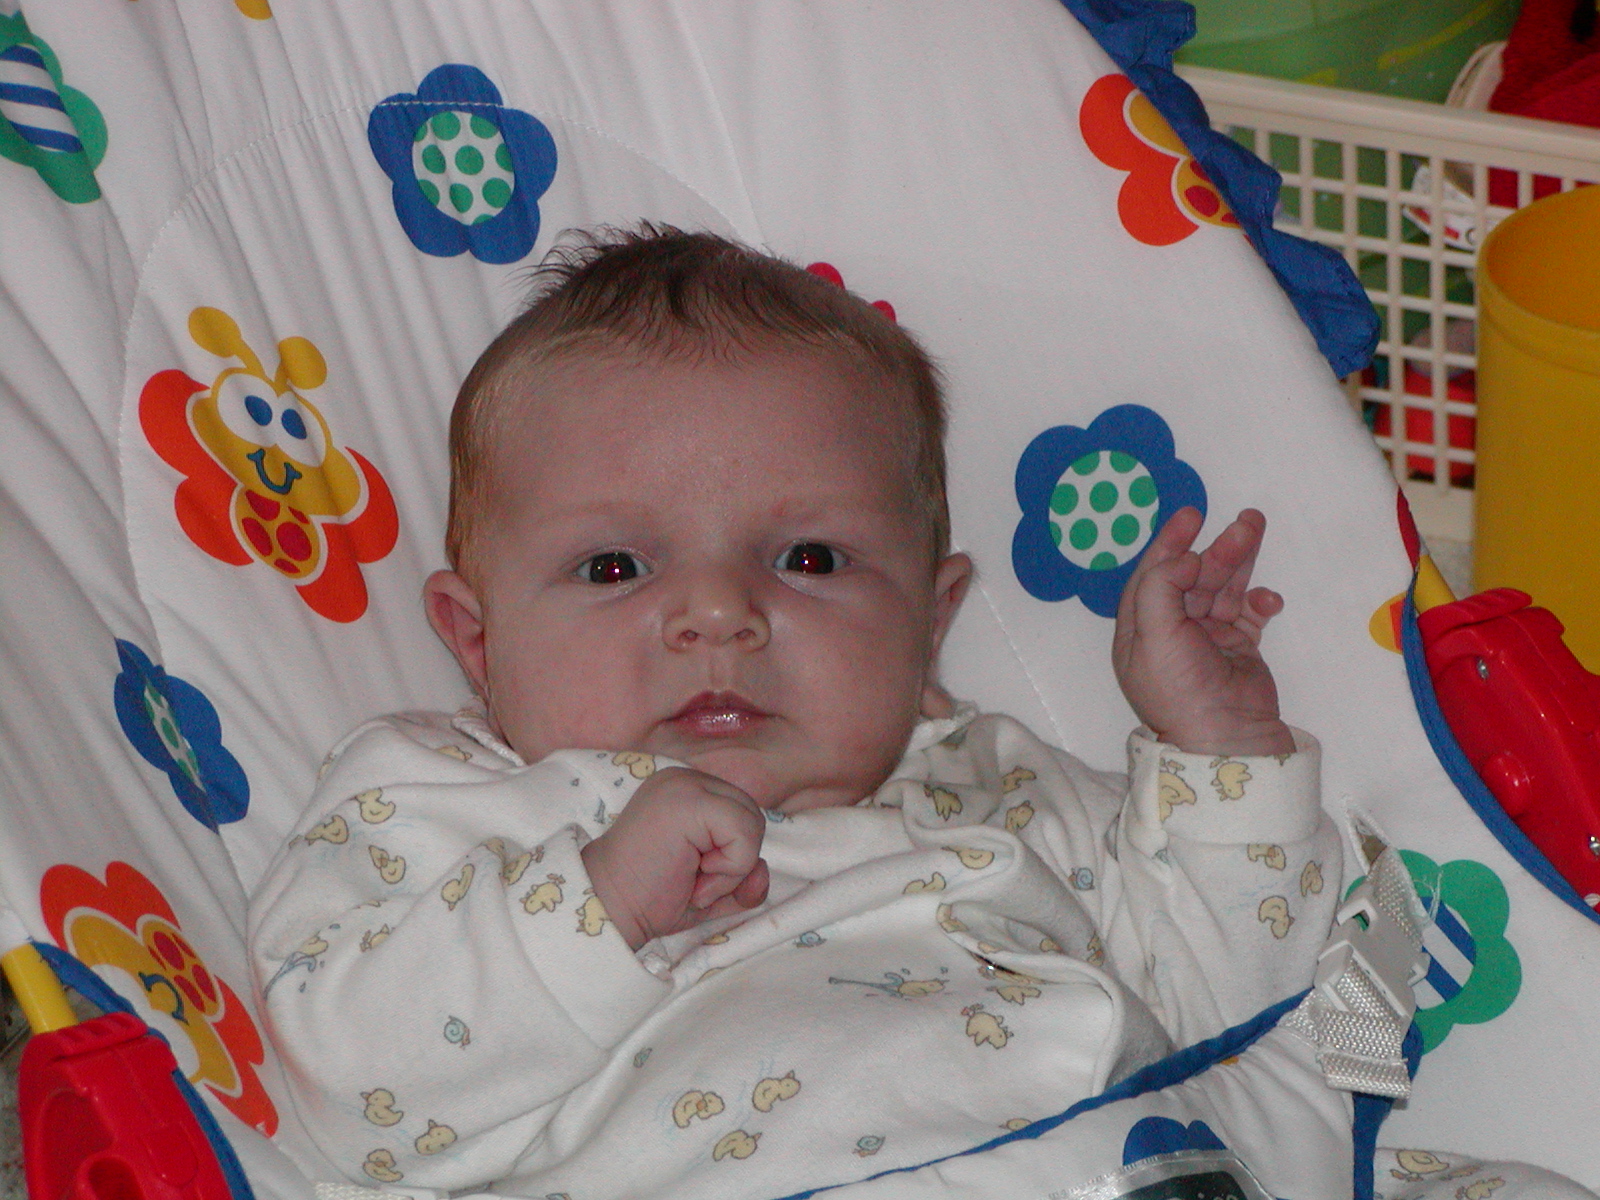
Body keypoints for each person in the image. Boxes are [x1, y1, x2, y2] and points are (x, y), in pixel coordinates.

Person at [248, 224, 1343, 1198]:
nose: (720, 614)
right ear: (477, 640)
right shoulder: (439, 801)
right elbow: (354, 1095)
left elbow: (1248, 1025)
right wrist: (596, 907)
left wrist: (1222, 750)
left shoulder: (1002, 784)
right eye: (614, 566)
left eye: (809, 558)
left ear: (929, 623)